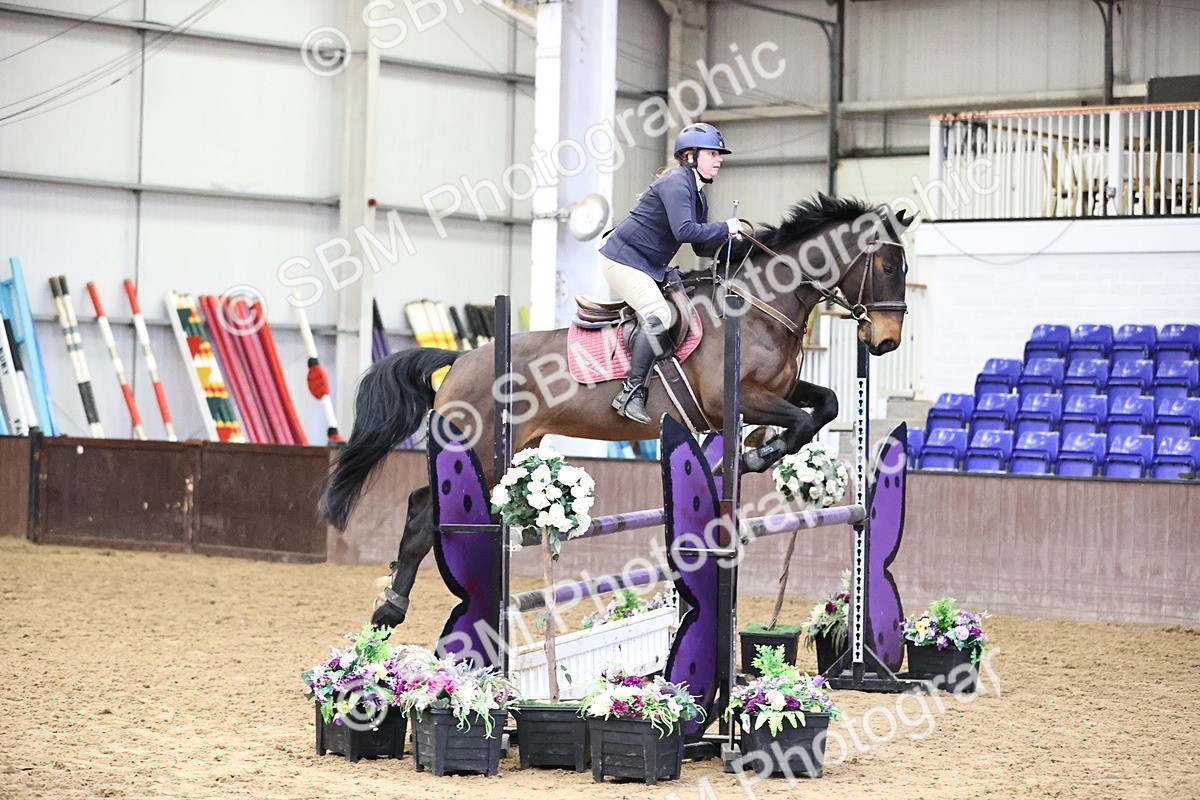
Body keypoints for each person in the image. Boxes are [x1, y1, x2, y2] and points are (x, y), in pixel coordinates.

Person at [599, 122, 740, 424]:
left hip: (648, 266)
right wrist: (725, 226)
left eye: (720, 154)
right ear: (690, 156)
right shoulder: (678, 182)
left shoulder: (696, 192)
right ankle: (630, 393)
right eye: (713, 153)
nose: (719, 160)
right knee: (659, 314)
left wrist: (732, 244)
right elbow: (685, 230)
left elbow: (700, 246)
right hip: (623, 261)